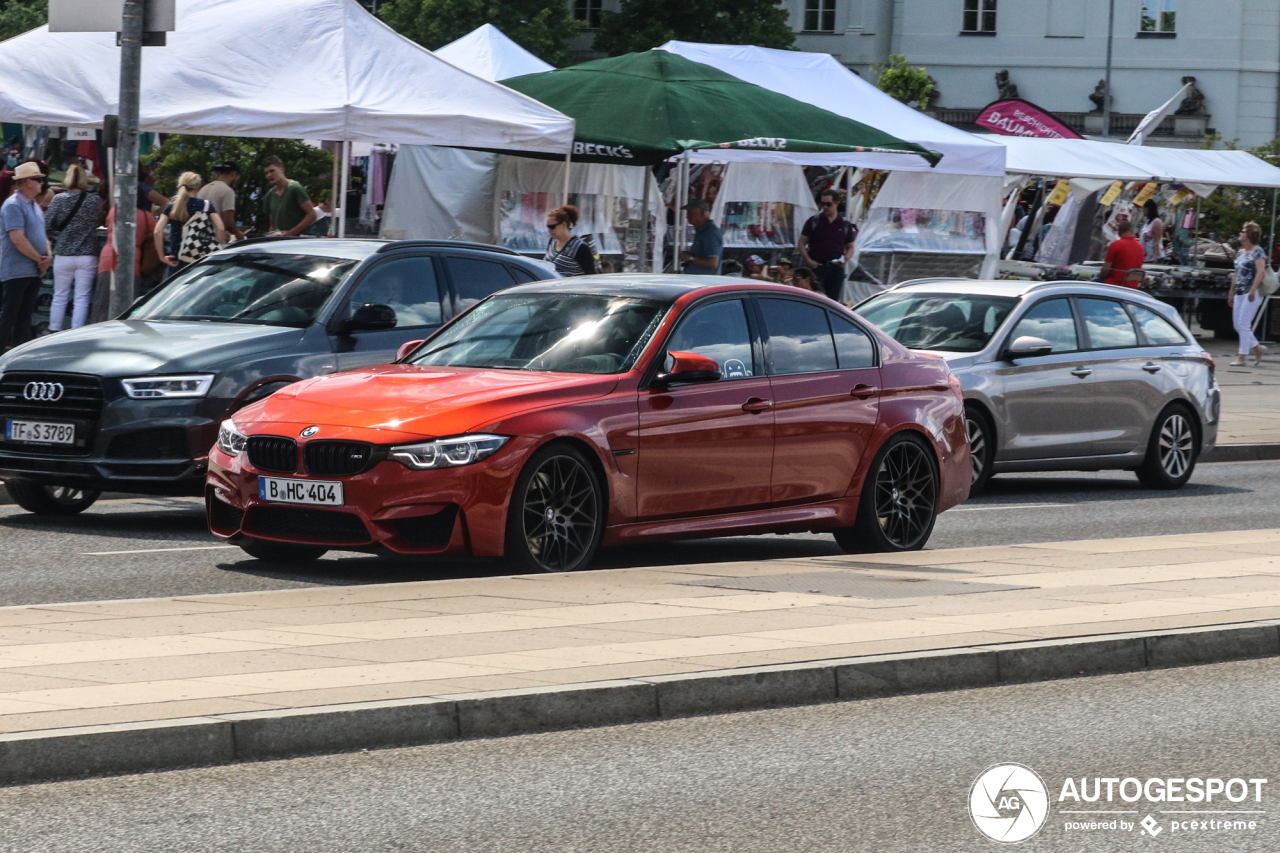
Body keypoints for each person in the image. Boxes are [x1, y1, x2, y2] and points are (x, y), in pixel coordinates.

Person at [43, 163, 101, 331]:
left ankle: (54, 331)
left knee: (59, 295)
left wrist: (59, 233)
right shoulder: (93, 200)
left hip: (63, 253)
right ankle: (76, 333)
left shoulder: (59, 199)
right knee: (82, 298)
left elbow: (47, 225)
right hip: (87, 254)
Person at [0, 161, 51, 351]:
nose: (42, 183)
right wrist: (41, 260)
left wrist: (48, 257)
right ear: (28, 181)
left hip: (31, 270)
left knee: (23, 316)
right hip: (16, 270)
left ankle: (20, 355)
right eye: (38, 179)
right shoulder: (13, 205)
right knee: (9, 316)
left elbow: (43, 237)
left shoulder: (34, 206)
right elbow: (17, 239)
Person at [92, 188, 158, 324]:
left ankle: (97, 332)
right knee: (127, 305)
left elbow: (107, 224)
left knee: (102, 302)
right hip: (132, 261)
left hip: (108, 258)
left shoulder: (114, 212)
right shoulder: (147, 217)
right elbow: (157, 232)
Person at [154, 171, 226, 278]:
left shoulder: (172, 208)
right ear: (197, 187)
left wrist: (162, 257)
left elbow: (157, 231)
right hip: (201, 260)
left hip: (176, 260)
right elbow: (220, 228)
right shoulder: (206, 206)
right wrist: (215, 246)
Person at [799, 189, 855, 299]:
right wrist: (808, 260)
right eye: (822, 204)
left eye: (828, 204)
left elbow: (851, 246)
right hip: (817, 267)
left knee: (833, 302)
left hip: (836, 268)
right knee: (814, 299)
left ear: (837, 203)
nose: (825, 207)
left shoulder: (844, 224)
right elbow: (801, 243)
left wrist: (845, 259)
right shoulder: (814, 221)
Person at [1229, 221, 1268, 367]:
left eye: (1243, 231)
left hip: (1252, 292)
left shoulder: (1258, 252)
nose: (1240, 233)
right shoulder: (1240, 252)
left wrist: (1252, 290)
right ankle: (1257, 348)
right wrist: (1231, 292)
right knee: (1237, 325)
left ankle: (1242, 356)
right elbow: (1236, 273)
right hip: (1239, 291)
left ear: (1250, 235)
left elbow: (1261, 272)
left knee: (1244, 324)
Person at [263, 155, 316, 236]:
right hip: (279, 241)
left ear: (282, 170)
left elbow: (311, 215)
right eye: (266, 173)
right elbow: (272, 224)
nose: (269, 175)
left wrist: (291, 232)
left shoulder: (294, 187)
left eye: (272, 171)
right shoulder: (269, 195)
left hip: (297, 240)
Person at [197, 160, 244, 243]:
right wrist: (238, 234)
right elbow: (228, 223)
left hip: (199, 240)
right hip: (215, 243)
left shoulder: (202, 190)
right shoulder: (227, 191)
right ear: (234, 174)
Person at [543, 204, 597, 276]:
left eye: (552, 227)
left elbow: (590, 275)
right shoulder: (552, 242)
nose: (549, 230)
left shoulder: (580, 248)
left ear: (564, 224)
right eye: (548, 227)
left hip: (570, 286)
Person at [679, 198, 722, 275]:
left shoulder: (710, 233)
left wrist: (691, 258)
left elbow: (713, 263)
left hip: (704, 282)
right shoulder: (701, 231)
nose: (687, 216)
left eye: (690, 213)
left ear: (702, 213)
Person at [1100, 220, 1146, 287]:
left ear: (1119, 233)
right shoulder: (1141, 247)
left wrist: (1100, 276)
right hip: (1133, 286)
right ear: (1132, 232)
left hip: (1115, 284)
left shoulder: (1115, 245)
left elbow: (1106, 270)